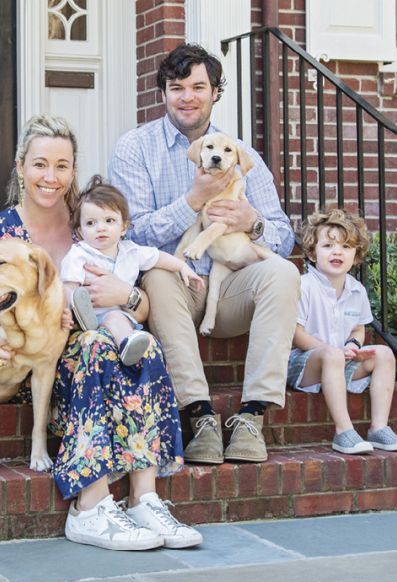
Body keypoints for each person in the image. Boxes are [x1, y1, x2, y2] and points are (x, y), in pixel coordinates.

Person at [0, 114, 202, 551]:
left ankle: (144, 498)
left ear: (73, 171)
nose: (50, 177)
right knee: (96, 348)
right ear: (21, 167)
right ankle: (90, 506)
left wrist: (126, 297)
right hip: (25, 368)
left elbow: (144, 306)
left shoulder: (93, 220)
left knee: (144, 346)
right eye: (40, 164)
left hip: (87, 347)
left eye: (62, 166)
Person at [108, 43, 300, 465]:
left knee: (284, 274)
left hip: (229, 286)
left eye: (199, 86)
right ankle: (198, 416)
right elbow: (130, 233)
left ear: (215, 92)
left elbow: (284, 237)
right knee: (156, 275)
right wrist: (192, 201)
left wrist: (253, 222)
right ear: (163, 92)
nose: (188, 96)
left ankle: (252, 415)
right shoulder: (135, 148)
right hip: (172, 288)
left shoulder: (240, 153)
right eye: (177, 87)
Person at [289, 209, 397, 454]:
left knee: (383, 354)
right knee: (333, 356)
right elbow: (296, 333)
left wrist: (354, 346)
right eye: (328, 245)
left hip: (339, 361)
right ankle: (344, 432)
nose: (337, 252)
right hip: (303, 366)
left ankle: (379, 428)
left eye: (346, 246)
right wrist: (331, 351)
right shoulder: (304, 286)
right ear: (312, 253)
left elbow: (358, 327)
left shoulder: (356, 290)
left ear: (356, 256)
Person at [61, 175, 205, 367]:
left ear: (124, 227)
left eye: (109, 220)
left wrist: (183, 267)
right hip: (84, 313)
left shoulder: (131, 251)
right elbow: (69, 285)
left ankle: (128, 343)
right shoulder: (79, 253)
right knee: (86, 300)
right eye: (90, 223)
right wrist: (69, 309)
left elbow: (158, 257)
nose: (100, 228)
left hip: (115, 310)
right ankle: (88, 317)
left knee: (117, 318)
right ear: (79, 232)